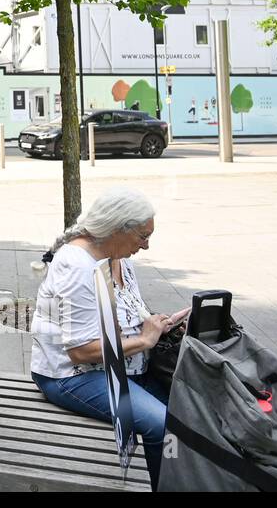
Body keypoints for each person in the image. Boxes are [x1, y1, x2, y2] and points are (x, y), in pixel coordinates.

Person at [30, 187, 185, 489]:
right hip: (71, 376)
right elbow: (80, 351)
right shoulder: (77, 266)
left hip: (120, 368)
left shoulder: (118, 257)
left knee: (189, 413)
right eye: (143, 236)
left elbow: (124, 314)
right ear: (117, 229)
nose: (147, 246)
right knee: (164, 426)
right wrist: (143, 341)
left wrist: (154, 325)